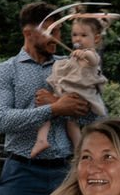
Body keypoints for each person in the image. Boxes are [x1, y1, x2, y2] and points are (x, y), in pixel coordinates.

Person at [0, 0, 95, 195]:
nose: (58, 38)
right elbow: (0, 120)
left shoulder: (69, 66)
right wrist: (54, 110)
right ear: (29, 32)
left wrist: (60, 105)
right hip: (21, 174)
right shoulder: (6, 71)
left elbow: (96, 116)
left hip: (64, 175)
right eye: (52, 31)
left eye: (60, 31)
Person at [30, 16, 108, 157]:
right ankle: (42, 139)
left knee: (71, 122)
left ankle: (78, 148)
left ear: (96, 39)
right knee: (48, 109)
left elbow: (92, 60)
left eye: (83, 35)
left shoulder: (92, 54)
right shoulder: (73, 56)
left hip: (81, 93)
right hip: (68, 91)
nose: (78, 39)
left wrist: (84, 54)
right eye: (74, 35)